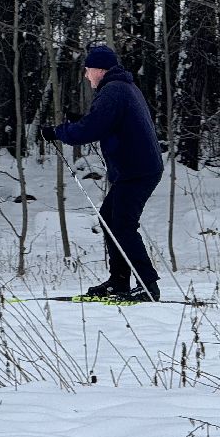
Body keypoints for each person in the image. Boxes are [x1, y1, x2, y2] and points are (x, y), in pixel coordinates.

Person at [41, 45, 163, 301]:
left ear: (99, 69)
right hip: (137, 168)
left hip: (137, 169)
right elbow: (107, 122)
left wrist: (58, 132)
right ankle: (119, 281)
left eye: (88, 70)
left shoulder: (113, 90)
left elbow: (92, 129)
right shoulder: (122, 87)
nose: (86, 76)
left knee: (122, 224)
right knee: (109, 217)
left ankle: (147, 284)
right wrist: (78, 122)